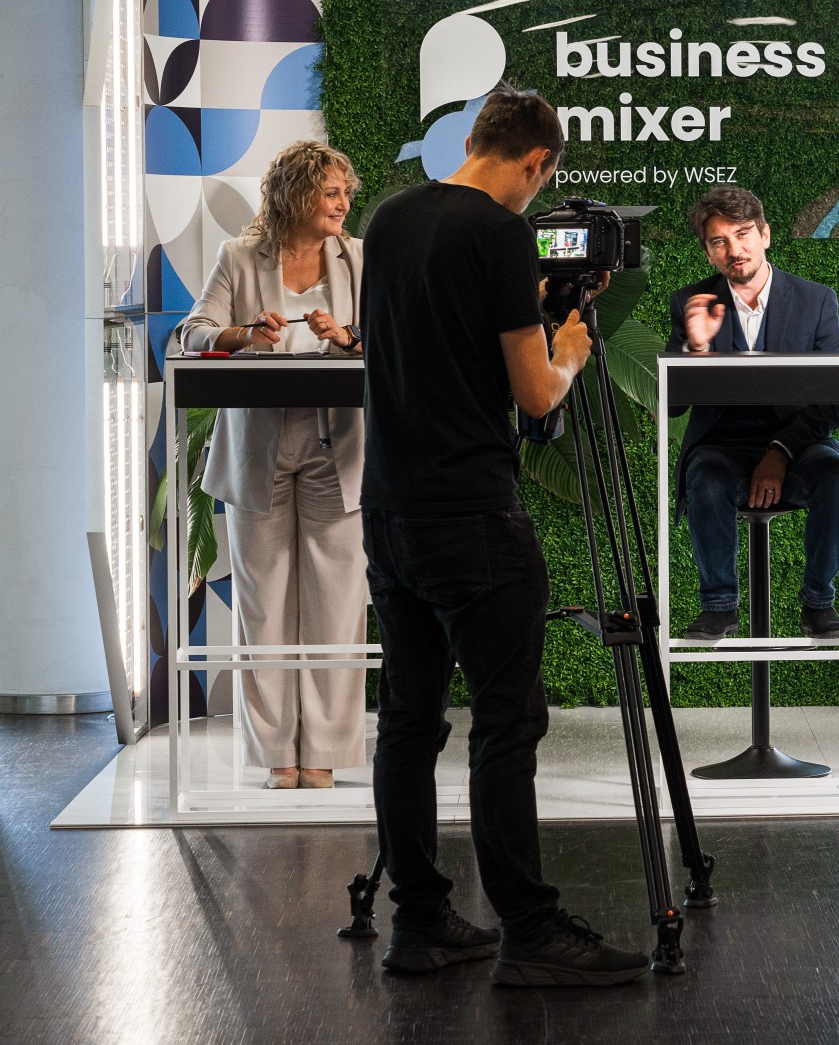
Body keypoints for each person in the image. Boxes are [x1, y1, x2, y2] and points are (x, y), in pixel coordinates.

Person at [360, 87, 648, 985]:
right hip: (473, 515)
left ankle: (422, 922)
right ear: (536, 163)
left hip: (390, 510)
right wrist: (568, 346)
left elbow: (439, 339)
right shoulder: (498, 232)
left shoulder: (390, 218)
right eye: (541, 184)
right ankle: (530, 931)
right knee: (506, 722)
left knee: (408, 718)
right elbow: (534, 394)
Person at [177, 140, 367, 792]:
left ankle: (326, 753)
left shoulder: (359, 258)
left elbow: (386, 338)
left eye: (347, 193)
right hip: (255, 442)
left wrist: (346, 338)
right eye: (332, 193)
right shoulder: (238, 257)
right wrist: (242, 335)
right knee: (265, 604)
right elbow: (191, 333)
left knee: (337, 603)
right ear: (296, 195)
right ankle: (277, 755)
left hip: (336, 446)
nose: (345, 204)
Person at [669, 185, 839, 641]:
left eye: (744, 233)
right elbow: (673, 403)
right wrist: (696, 349)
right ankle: (718, 607)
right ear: (709, 254)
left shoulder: (816, 300)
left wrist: (780, 450)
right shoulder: (691, 303)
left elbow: (835, 399)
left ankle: (818, 603)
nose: (735, 249)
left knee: (834, 479)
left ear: (766, 235)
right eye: (719, 242)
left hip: (800, 444)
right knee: (706, 479)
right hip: (721, 445)